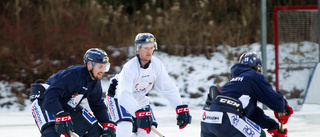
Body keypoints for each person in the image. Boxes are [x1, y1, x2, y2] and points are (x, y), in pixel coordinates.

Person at [106, 33, 192, 137]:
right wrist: (138, 113)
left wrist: (179, 107)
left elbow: (168, 88)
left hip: (140, 98)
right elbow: (123, 94)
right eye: (146, 48)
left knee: (149, 133)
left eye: (151, 48)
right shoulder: (130, 67)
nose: (149, 51)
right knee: (125, 129)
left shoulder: (157, 65)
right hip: (118, 98)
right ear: (138, 49)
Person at [201, 52, 294, 137]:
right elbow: (276, 102)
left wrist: (272, 126)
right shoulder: (254, 76)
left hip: (207, 120)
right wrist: (284, 107)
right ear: (258, 68)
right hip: (228, 118)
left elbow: (251, 113)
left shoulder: (233, 83)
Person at [30, 48, 116, 137]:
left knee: (96, 133)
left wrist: (106, 123)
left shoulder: (95, 83)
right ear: (90, 65)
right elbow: (51, 95)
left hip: (66, 106)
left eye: (105, 67)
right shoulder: (74, 74)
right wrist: (60, 114)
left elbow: (98, 106)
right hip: (45, 100)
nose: (102, 71)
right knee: (51, 133)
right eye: (100, 67)